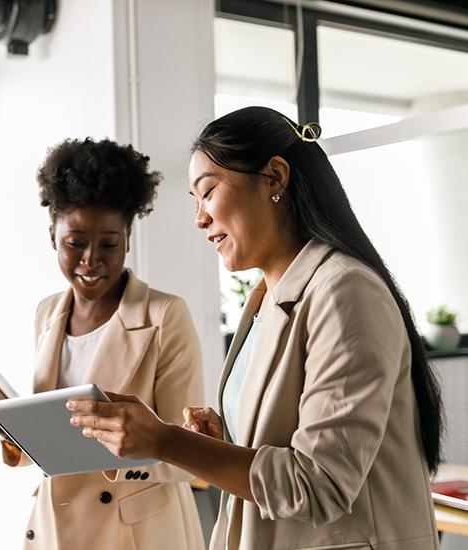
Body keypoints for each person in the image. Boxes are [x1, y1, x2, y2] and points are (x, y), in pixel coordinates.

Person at [67, 107, 443, 550]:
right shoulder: (265, 300)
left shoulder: (345, 291)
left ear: (275, 178)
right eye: (194, 201)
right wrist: (222, 437)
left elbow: (318, 484)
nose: (199, 219)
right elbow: (281, 441)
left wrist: (167, 441)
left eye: (207, 192)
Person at [0, 137, 205, 550]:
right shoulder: (47, 313)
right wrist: (21, 440)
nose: (91, 259)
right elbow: (58, 432)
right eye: (75, 242)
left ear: (127, 239)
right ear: (52, 236)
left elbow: (190, 454)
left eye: (108, 244)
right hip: (55, 528)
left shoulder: (165, 316)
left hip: (134, 533)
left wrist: (117, 451)